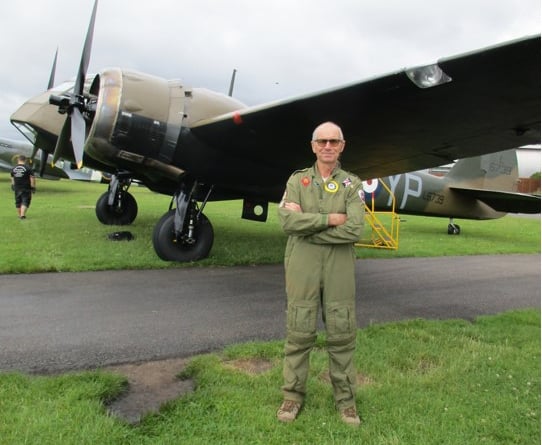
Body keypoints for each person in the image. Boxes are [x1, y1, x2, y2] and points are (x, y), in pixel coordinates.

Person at [276, 121, 365, 426]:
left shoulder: (351, 184)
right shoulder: (297, 181)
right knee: (299, 332)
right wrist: (331, 219)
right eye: (322, 141)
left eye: (334, 141)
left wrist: (310, 227)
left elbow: (354, 229)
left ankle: (346, 401)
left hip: (339, 267)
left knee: (341, 333)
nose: (328, 146)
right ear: (313, 146)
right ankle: (292, 396)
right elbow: (287, 223)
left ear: (342, 146)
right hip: (303, 265)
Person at [10, 155, 36, 219]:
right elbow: (32, 178)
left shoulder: (14, 168)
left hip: (17, 188)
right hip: (26, 188)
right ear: (25, 160)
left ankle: (20, 215)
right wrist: (33, 187)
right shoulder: (28, 168)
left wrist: (13, 185)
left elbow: (12, 177)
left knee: (18, 202)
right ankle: (22, 215)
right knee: (25, 201)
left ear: (18, 160)